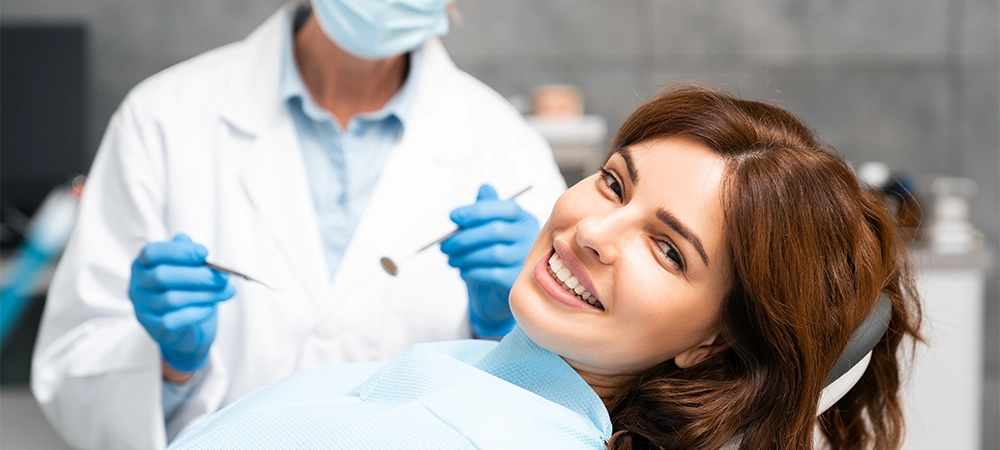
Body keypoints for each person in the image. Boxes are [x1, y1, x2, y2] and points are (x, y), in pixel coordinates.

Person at [165, 83, 923, 450]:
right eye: (616, 183)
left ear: (711, 344)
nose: (593, 229)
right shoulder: (469, 377)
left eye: (667, 249)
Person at [31, 1, 567, 448]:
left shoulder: (505, 144)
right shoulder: (161, 121)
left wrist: (505, 329)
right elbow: (69, 367)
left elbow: (567, 406)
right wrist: (169, 364)